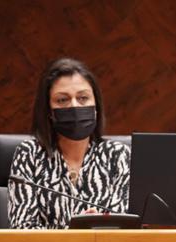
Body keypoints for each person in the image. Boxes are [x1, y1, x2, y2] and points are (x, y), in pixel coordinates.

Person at [9, 57, 130, 229]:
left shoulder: (117, 155)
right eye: (62, 100)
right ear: (49, 111)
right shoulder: (29, 154)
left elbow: (123, 227)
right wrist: (78, 231)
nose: (75, 106)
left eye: (83, 98)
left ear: (96, 106)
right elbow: (23, 229)